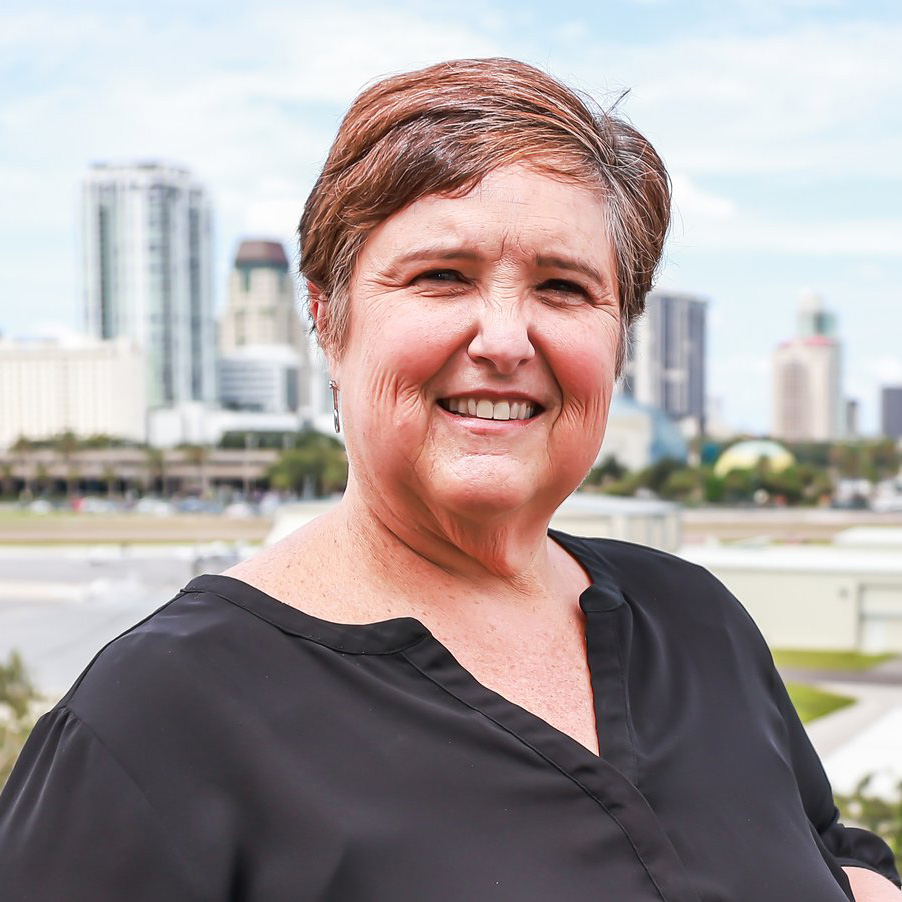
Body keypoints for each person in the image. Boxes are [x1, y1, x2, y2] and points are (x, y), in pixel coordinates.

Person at [0, 58, 899, 901]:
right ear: (327, 315)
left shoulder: (698, 620)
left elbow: (823, 849)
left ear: (619, 334)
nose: (506, 339)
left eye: (563, 288)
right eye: (441, 275)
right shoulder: (157, 719)